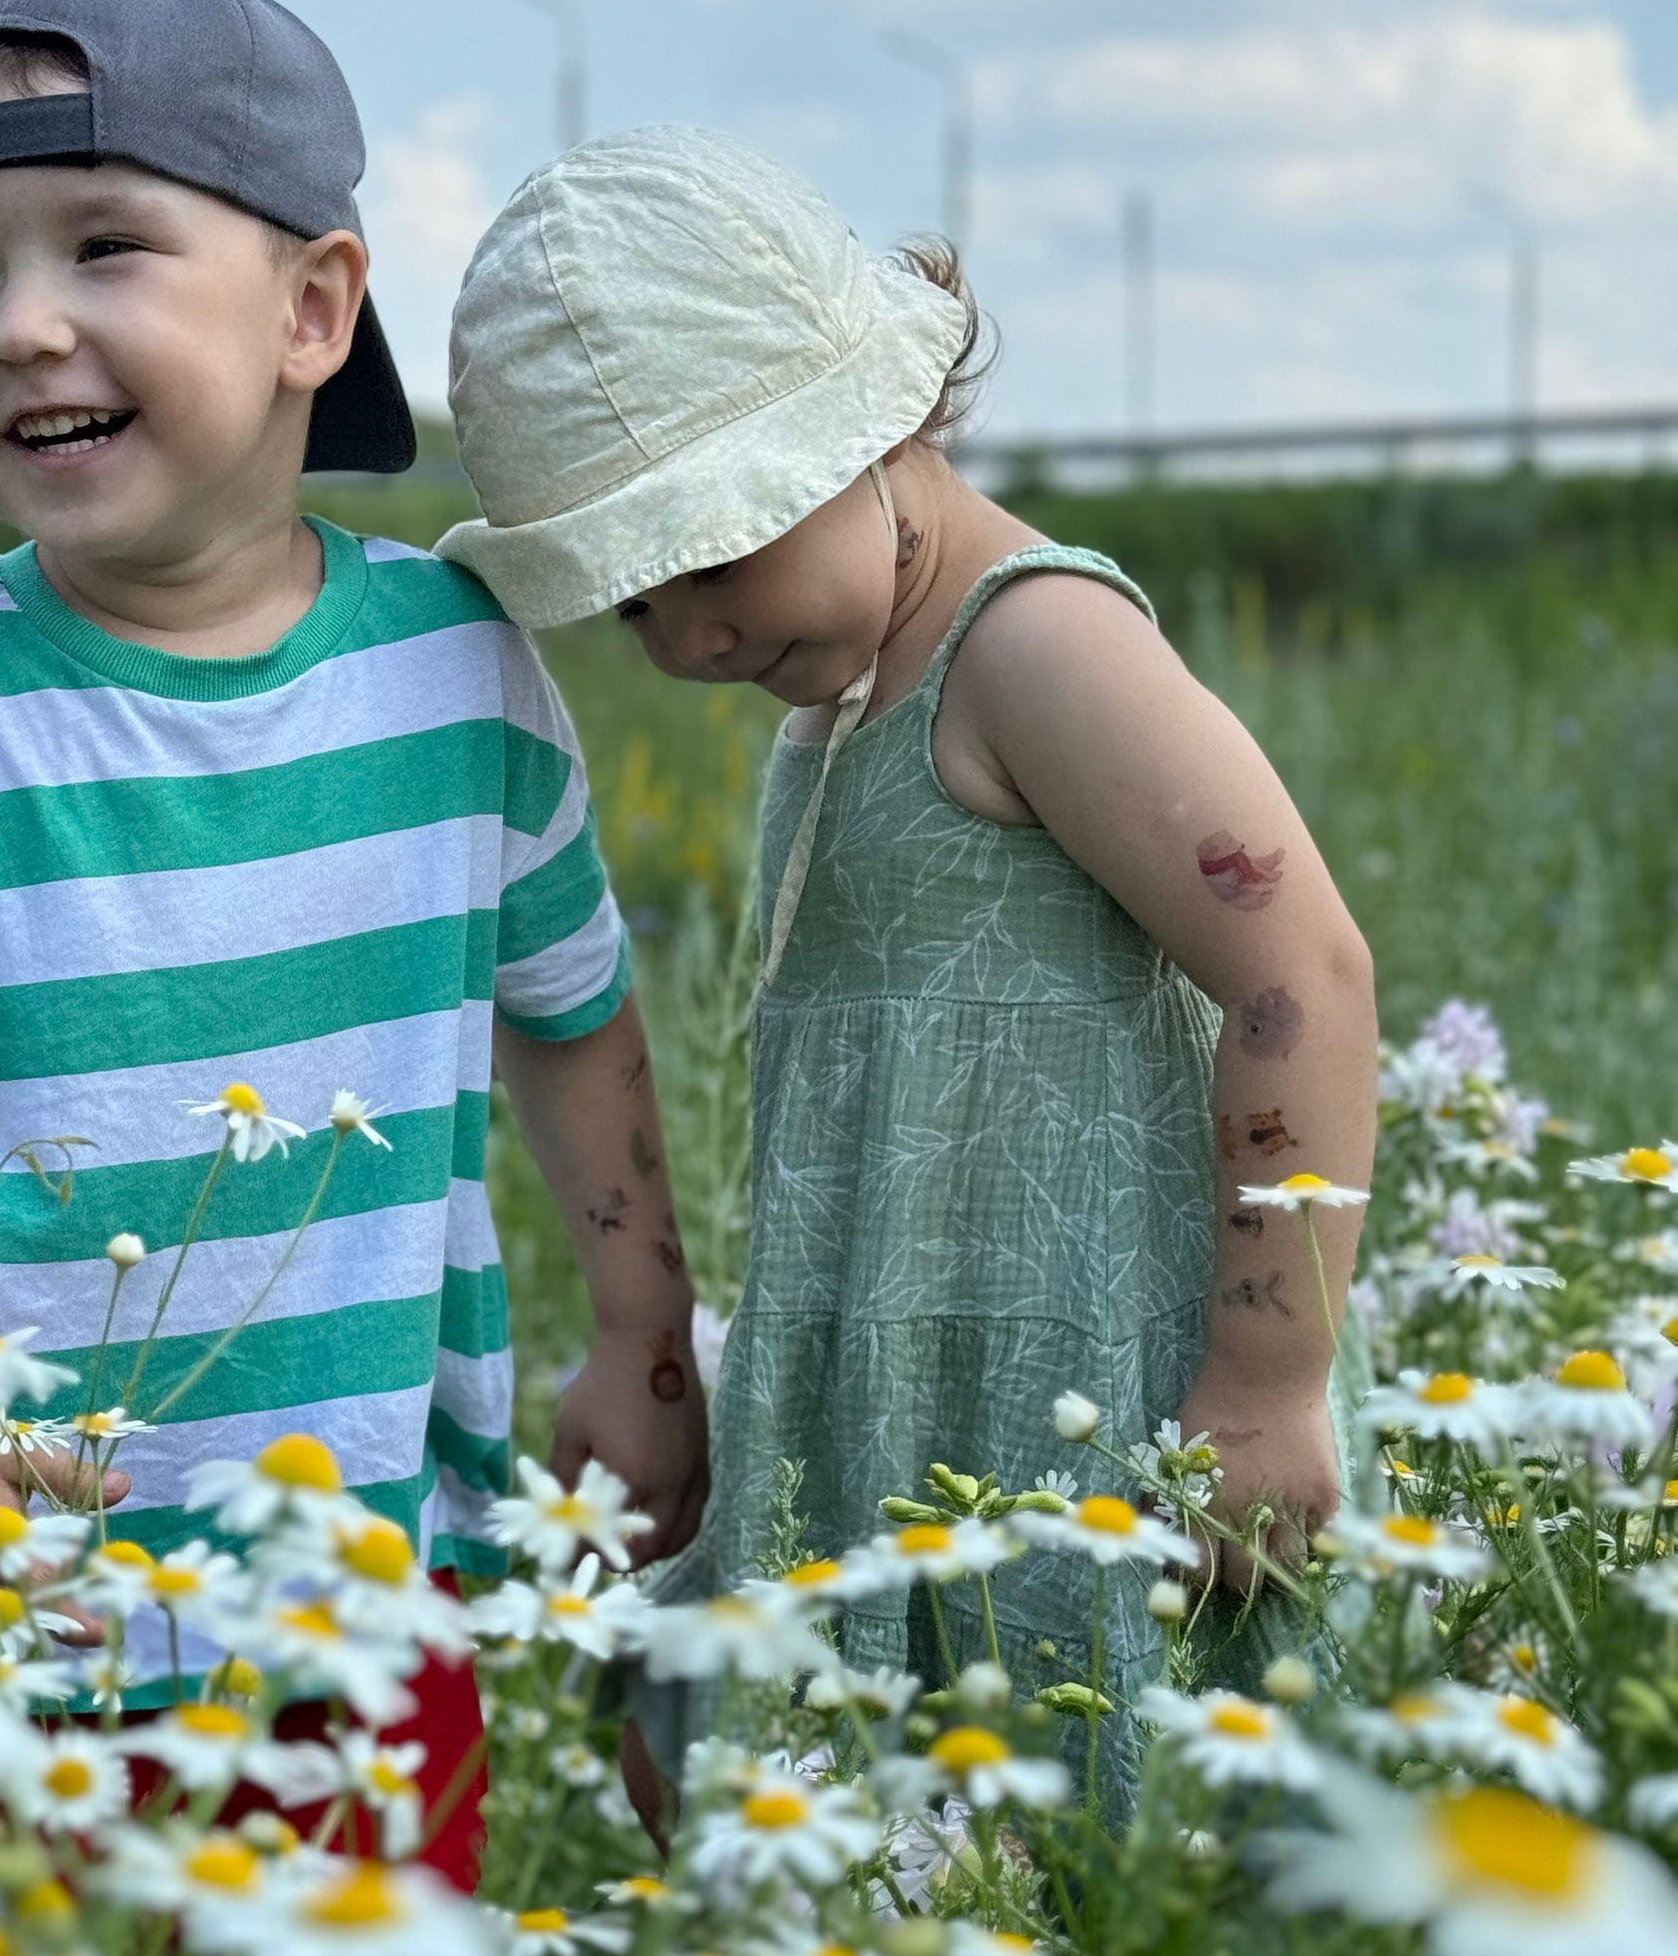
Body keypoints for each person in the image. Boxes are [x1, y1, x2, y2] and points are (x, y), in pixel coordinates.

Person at [0, 0, 710, 1889]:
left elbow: (573, 1017)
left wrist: (644, 1332)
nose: (22, 326)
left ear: (313, 309)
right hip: (9, 1613)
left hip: (374, 1593)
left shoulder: (457, 673)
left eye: (104, 246)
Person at [436, 127, 1375, 1808]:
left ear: (870, 424)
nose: (692, 637)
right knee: (841, 1794)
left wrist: (1267, 1372)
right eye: (638, 603)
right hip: (917, 1378)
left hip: (1109, 1386)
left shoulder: (1035, 645)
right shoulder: (850, 682)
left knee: (1124, 1808)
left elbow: (1298, 969)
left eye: (718, 557)